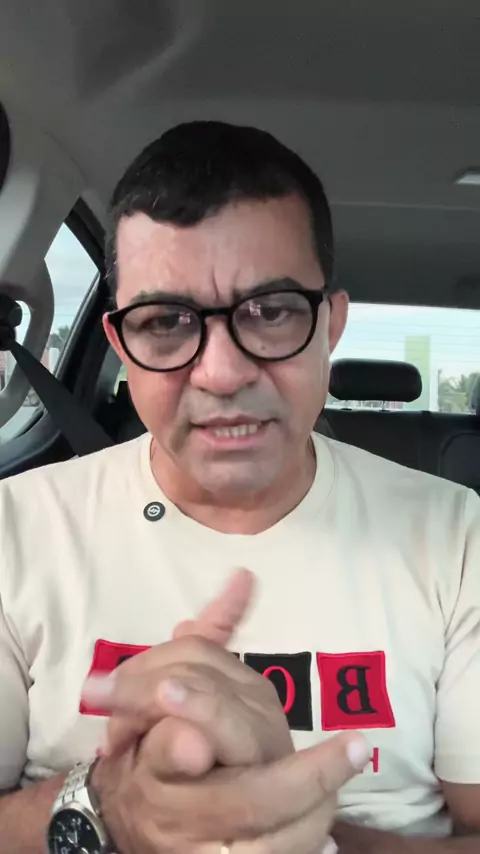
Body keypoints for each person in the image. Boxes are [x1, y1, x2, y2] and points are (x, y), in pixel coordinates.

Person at [0, 121, 479, 854]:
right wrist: (111, 805)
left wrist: (295, 829)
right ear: (121, 344)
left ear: (331, 327)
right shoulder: (16, 529)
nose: (222, 374)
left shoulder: (457, 535)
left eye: (272, 311)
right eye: (165, 321)